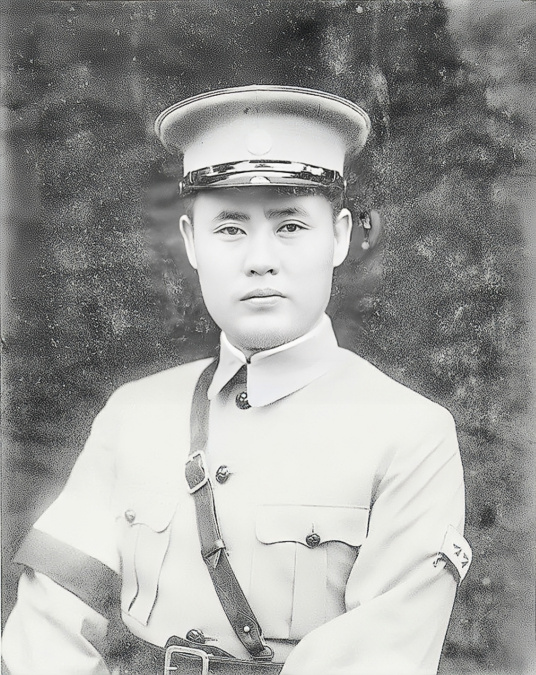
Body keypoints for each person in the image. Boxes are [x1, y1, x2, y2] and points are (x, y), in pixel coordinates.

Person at [2, 85, 472, 675]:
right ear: (192, 242)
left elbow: (379, 658)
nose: (259, 259)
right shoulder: (133, 413)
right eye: (229, 229)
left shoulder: (411, 434)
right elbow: (50, 620)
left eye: (291, 226)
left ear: (339, 236)